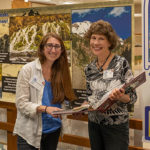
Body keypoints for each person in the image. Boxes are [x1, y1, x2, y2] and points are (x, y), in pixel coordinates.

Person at [13, 32, 76, 150]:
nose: (53, 50)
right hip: (30, 132)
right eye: (49, 45)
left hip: (53, 130)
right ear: (42, 48)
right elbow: (21, 104)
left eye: (57, 46)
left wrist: (77, 110)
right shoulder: (28, 70)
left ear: (62, 50)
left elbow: (63, 100)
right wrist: (45, 109)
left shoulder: (62, 72)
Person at [84, 20, 137, 150]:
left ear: (109, 42)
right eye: (93, 38)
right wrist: (84, 105)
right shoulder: (89, 68)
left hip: (116, 126)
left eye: (101, 38)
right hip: (94, 125)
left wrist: (120, 97)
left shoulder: (121, 63)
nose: (96, 43)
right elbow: (90, 96)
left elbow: (133, 97)